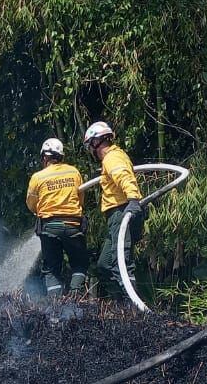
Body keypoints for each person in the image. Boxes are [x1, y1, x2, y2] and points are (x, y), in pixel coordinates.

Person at [83, 121, 144, 299]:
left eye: (90, 146)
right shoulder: (113, 158)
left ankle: (134, 310)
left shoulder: (112, 158)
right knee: (104, 265)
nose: (90, 151)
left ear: (95, 142)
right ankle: (120, 306)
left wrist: (133, 200)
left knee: (121, 263)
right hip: (115, 216)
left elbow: (124, 177)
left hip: (122, 212)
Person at [24, 137, 89, 295]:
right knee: (79, 264)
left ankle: (56, 306)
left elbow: (31, 204)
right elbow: (80, 199)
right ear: (60, 156)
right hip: (74, 226)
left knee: (52, 270)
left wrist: (40, 209)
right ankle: (75, 297)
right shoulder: (73, 172)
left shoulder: (38, 177)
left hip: (49, 227)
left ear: (44, 157)